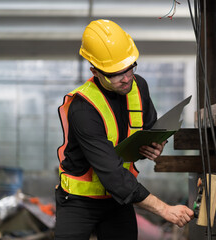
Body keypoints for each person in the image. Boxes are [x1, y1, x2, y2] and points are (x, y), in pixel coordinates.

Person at [54, 19, 194, 240]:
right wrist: (164, 209)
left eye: (130, 67)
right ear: (95, 70)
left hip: (117, 201)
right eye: (116, 73)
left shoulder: (139, 88)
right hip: (78, 202)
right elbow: (113, 175)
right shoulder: (83, 109)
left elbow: (150, 130)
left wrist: (157, 145)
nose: (127, 77)